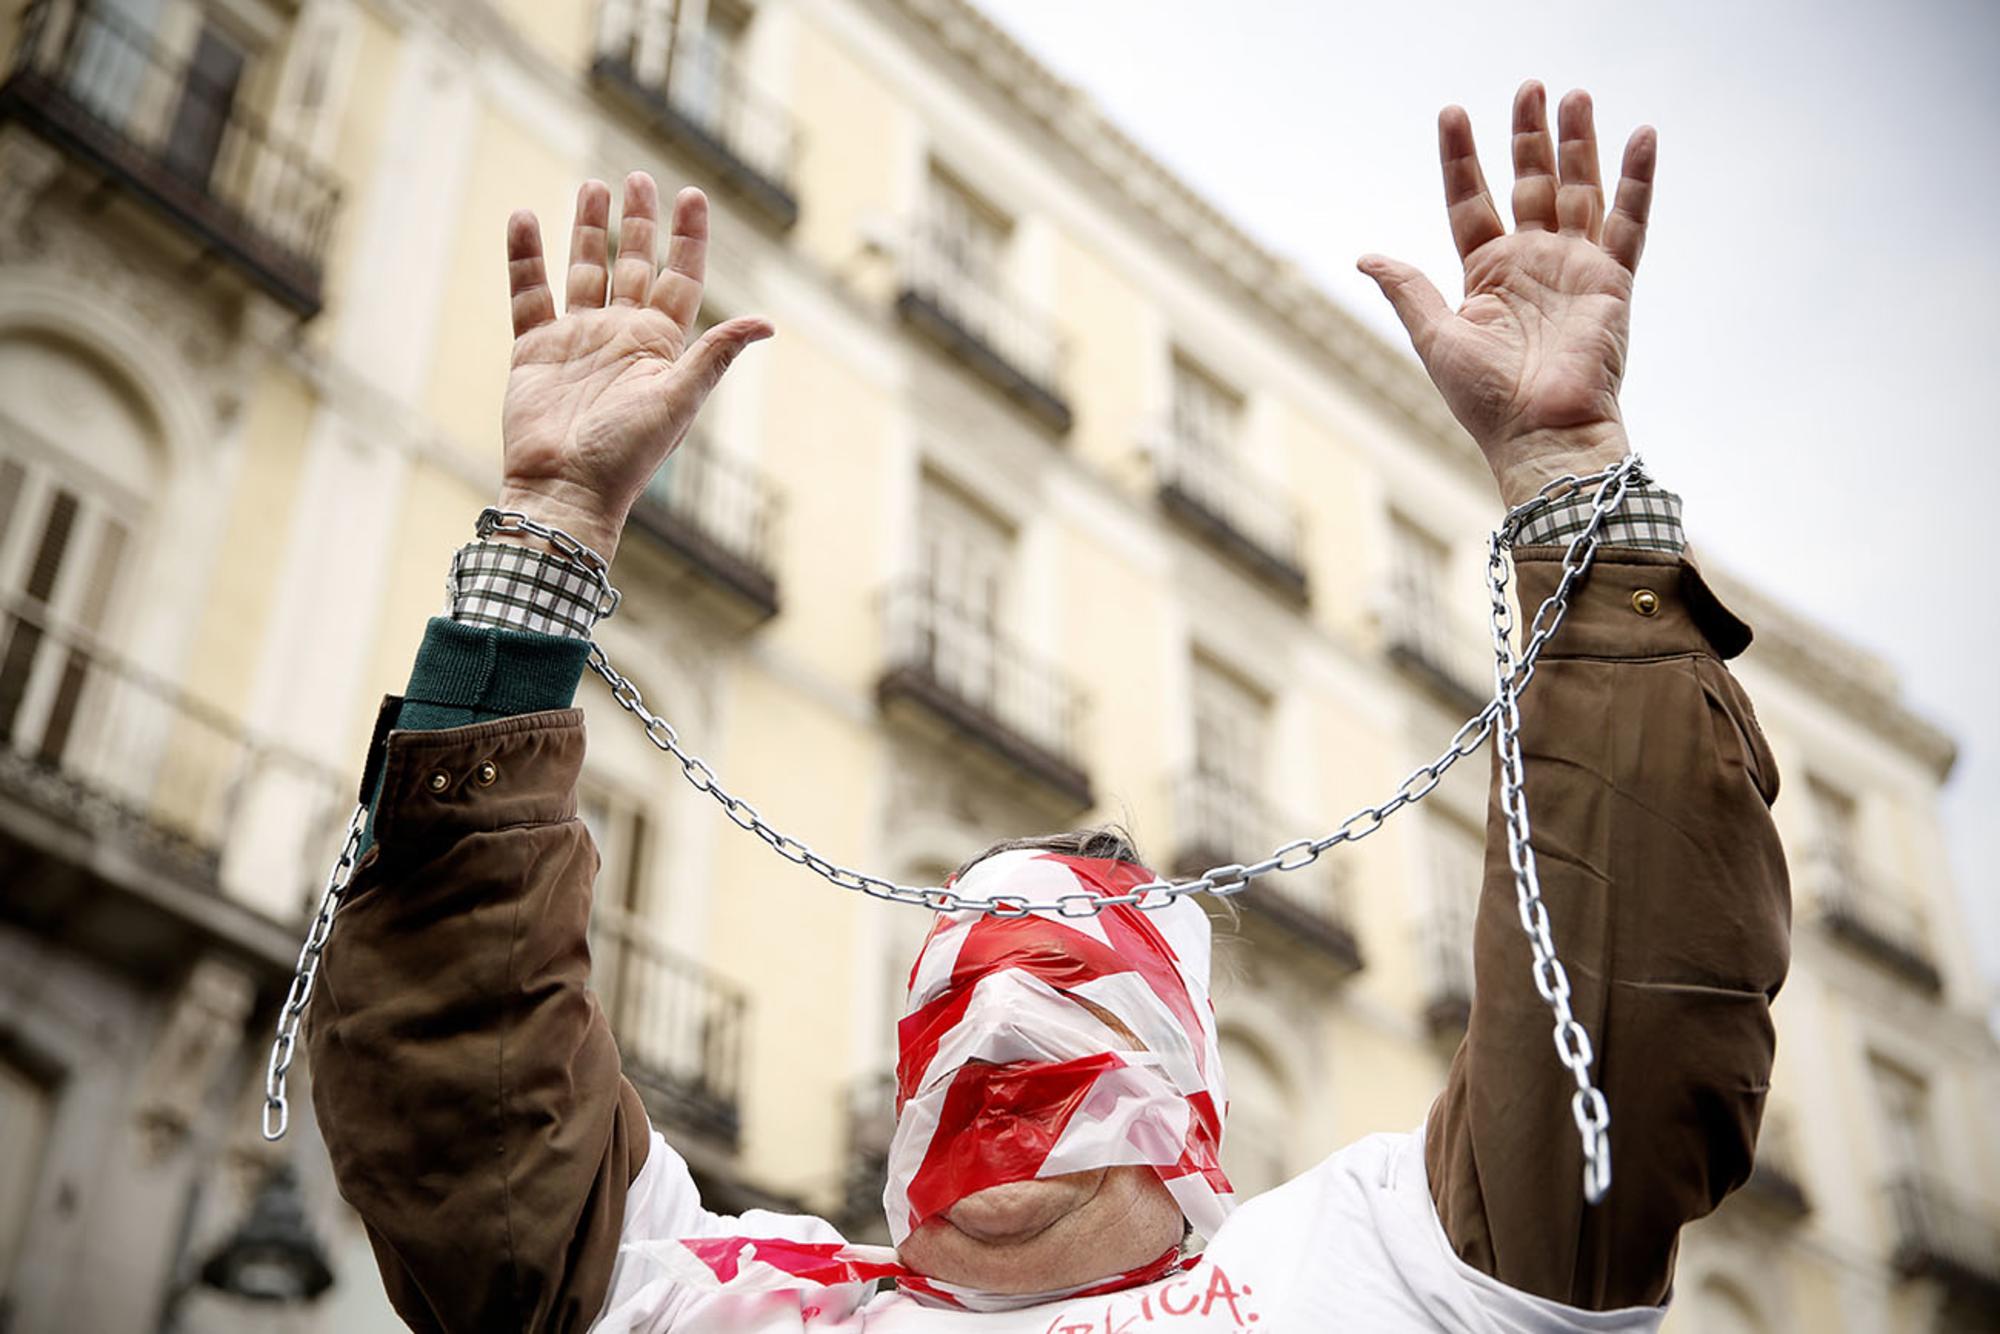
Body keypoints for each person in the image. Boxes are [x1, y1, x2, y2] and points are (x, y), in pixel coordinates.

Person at [306, 81, 1788, 1332]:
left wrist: (1571, 485)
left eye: (1072, 991)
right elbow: (468, 1100)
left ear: (1188, 1078)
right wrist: (547, 537)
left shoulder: (1379, 1273)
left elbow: (1619, 1028)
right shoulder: (710, 1295)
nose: (1004, 1013)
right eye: (958, 990)